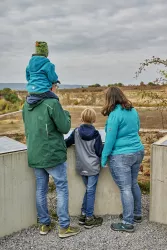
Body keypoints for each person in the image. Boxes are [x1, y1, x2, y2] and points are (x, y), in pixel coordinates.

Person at [22, 83, 80, 238]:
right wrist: (66, 114)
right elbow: (65, 127)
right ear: (50, 87)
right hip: (52, 154)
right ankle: (63, 227)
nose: (57, 88)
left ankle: (44, 224)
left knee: (41, 189)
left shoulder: (26, 105)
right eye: (56, 85)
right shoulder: (52, 103)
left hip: (35, 153)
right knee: (61, 188)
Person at [101, 86, 144, 233]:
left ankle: (127, 222)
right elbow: (137, 128)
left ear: (110, 99)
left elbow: (110, 140)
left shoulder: (115, 115)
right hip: (138, 151)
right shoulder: (133, 110)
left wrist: (104, 158)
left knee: (125, 188)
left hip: (122, 155)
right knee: (133, 183)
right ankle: (136, 214)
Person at [65, 108, 103, 229]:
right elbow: (99, 151)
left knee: (88, 190)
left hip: (81, 167)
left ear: (81, 118)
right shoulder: (96, 134)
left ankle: (83, 214)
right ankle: (89, 218)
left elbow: (67, 143)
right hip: (93, 167)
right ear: (94, 119)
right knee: (91, 191)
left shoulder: (76, 131)